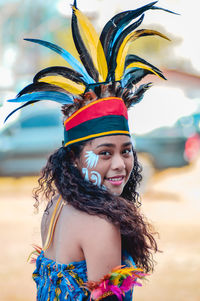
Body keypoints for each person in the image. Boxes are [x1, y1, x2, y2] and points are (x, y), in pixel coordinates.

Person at [5, 1, 176, 300]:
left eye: (126, 151)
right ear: (74, 156)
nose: (120, 164)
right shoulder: (101, 224)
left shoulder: (59, 204)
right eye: (105, 152)